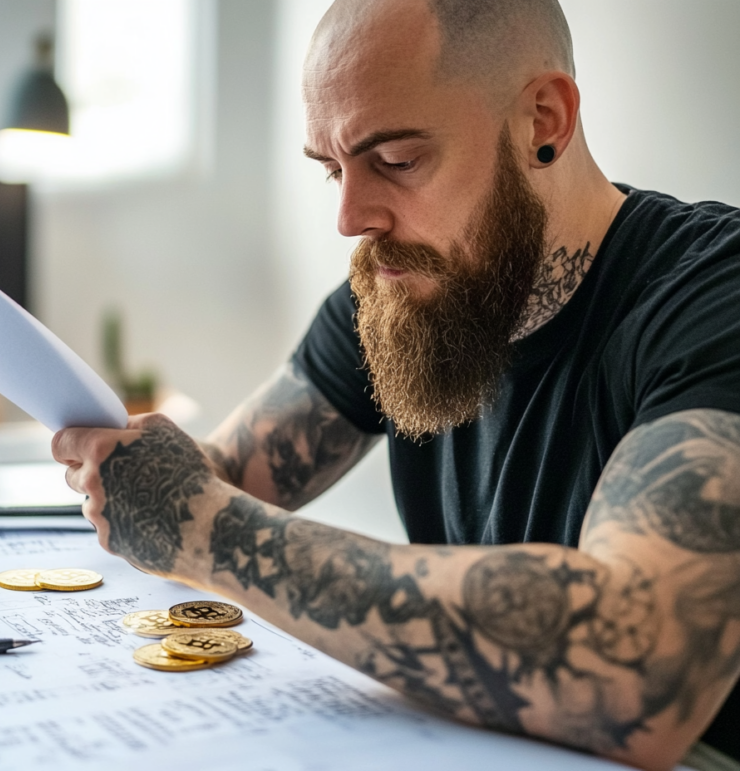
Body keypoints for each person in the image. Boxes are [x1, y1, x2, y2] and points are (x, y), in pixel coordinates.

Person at [52, 1, 740, 769]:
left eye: (398, 161)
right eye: (331, 169)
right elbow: (226, 476)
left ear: (543, 121)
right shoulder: (403, 290)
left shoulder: (713, 298)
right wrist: (142, 473)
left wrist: (210, 529)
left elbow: (643, 663)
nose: (350, 217)